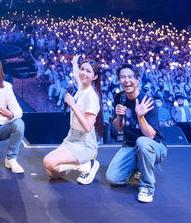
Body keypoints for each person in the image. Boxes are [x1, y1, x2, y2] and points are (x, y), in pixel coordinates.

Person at [103, 65, 166, 203]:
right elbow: (119, 127)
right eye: (123, 77)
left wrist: (140, 116)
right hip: (130, 146)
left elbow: (150, 136)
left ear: (137, 79)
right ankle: (139, 167)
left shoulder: (147, 101)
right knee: (113, 179)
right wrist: (119, 116)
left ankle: (147, 186)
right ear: (119, 80)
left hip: (154, 147)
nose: (127, 80)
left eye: (130, 77)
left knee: (142, 142)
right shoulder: (119, 97)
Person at [43, 56, 103, 184]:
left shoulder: (92, 97)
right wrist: (74, 63)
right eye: (83, 69)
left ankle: (87, 165)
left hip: (84, 142)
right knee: (51, 173)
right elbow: (76, 74)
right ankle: (81, 164)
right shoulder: (82, 86)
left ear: (95, 77)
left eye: (88, 71)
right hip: (72, 138)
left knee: (48, 162)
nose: (83, 73)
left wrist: (73, 106)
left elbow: (88, 127)